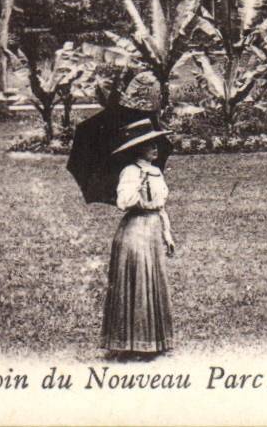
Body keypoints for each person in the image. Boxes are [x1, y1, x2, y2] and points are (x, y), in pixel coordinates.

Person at [102, 125, 176, 359]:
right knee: (137, 284)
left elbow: (160, 206)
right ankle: (132, 344)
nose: (155, 148)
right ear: (138, 148)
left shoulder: (156, 171)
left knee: (153, 282)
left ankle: (153, 342)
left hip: (153, 231)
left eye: (156, 143)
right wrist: (138, 186)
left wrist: (167, 233)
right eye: (149, 144)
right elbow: (123, 202)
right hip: (135, 232)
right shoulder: (130, 171)